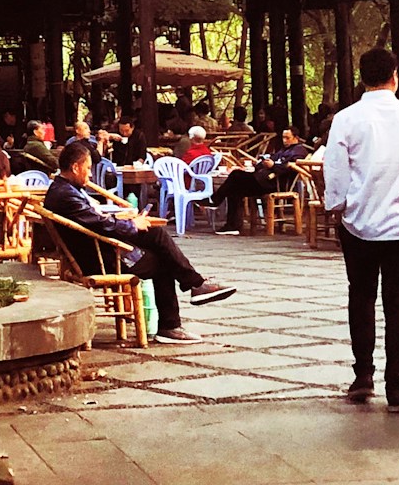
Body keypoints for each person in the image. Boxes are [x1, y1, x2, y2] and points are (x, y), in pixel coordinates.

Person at [323, 48, 399, 414]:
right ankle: (397, 388)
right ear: (395, 76)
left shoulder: (346, 119)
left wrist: (336, 205)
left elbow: (336, 170)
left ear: (361, 78)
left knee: (361, 298)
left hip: (358, 222)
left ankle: (363, 376)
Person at [42, 141, 232, 343]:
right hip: (97, 258)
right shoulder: (65, 195)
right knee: (163, 258)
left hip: (98, 247)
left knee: (157, 236)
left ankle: (192, 289)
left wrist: (129, 221)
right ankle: (175, 317)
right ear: (75, 167)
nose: (90, 175)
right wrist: (132, 225)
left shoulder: (64, 189)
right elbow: (99, 224)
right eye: (88, 169)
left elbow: (94, 219)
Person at [209, 127, 309, 231]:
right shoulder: (283, 150)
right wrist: (262, 163)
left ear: (296, 138)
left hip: (276, 184)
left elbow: (289, 168)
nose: (284, 140)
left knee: (236, 175)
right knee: (234, 189)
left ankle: (215, 200)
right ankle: (232, 226)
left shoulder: (299, 151)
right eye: (283, 138)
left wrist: (273, 166)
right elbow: (270, 159)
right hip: (263, 180)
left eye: (287, 138)